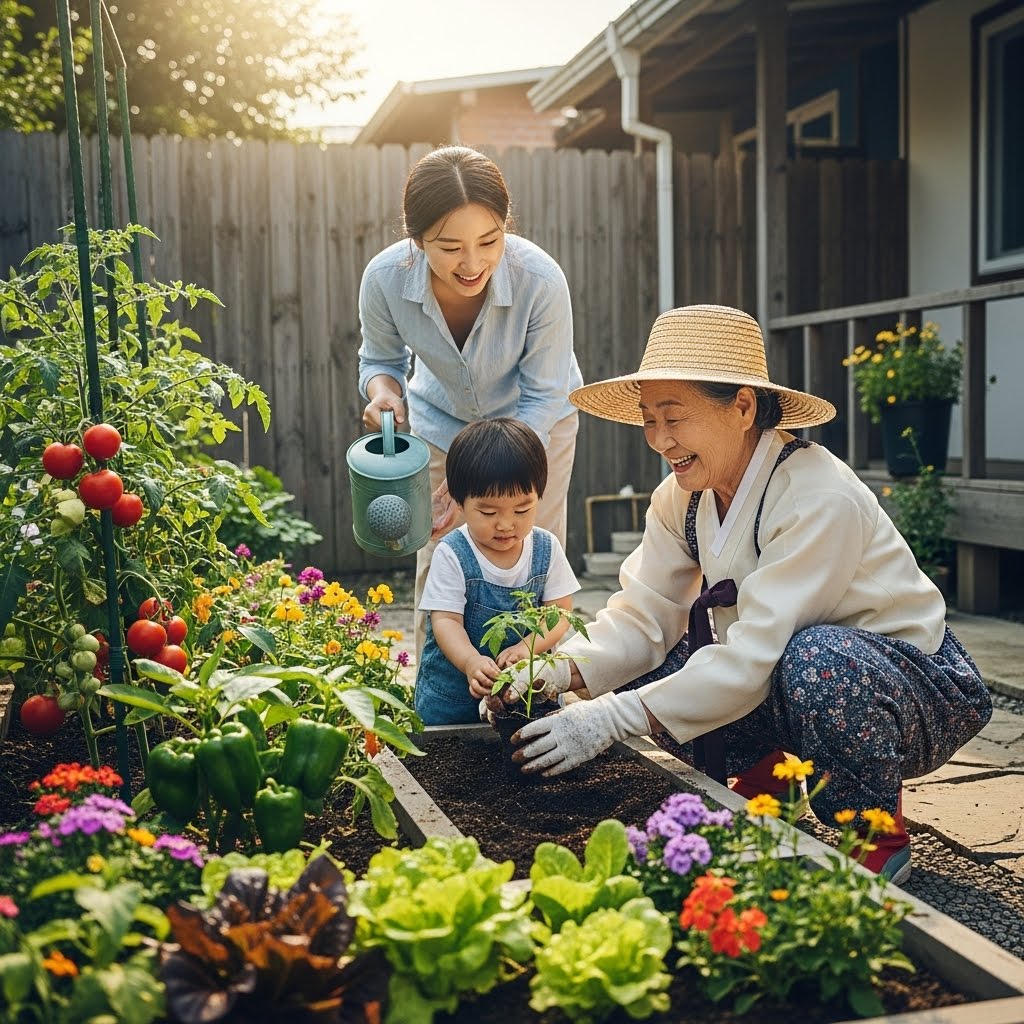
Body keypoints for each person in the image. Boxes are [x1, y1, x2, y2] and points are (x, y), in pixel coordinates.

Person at [502, 304, 992, 884]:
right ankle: (774, 781)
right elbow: (643, 616)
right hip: (780, 670)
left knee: (816, 661)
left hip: (907, 685)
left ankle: (873, 828)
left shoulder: (817, 496)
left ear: (741, 407)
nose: (658, 440)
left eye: (673, 417)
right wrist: (558, 672)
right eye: (647, 419)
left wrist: (608, 721)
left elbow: (758, 650)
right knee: (641, 672)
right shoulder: (682, 497)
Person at [357, 145, 582, 656]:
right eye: (449, 246)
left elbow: (544, 395)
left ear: (507, 226)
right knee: (440, 558)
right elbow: (379, 362)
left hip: (537, 426)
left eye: (489, 240)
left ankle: (533, 693)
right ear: (416, 241)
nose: (473, 262)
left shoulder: (541, 280)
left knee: (530, 553)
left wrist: (476, 488)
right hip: (441, 427)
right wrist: (384, 395)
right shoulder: (385, 278)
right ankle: (436, 703)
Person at [415, 418, 580, 725]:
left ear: (539, 497)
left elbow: (559, 613)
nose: (506, 524)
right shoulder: (452, 553)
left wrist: (527, 647)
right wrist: (470, 661)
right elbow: (446, 621)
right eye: (488, 512)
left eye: (522, 509)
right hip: (453, 699)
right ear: (459, 503)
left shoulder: (547, 548)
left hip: (526, 696)